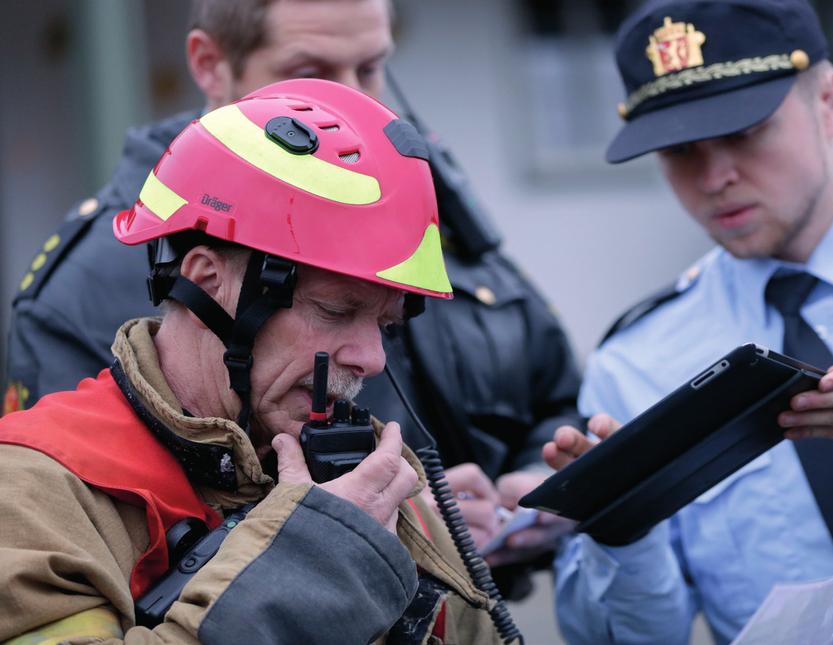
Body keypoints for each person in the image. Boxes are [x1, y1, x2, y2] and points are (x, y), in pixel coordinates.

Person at [3, 0, 581, 581]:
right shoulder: (89, 286)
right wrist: (334, 546)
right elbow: (94, 523)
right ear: (210, 65)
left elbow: (550, 390)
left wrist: (517, 491)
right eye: (313, 71)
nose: (355, 101)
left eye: (372, 66)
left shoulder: (427, 218)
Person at [546, 0, 833, 643]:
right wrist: (620, 531)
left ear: (829, 101)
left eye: (745, 133)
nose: (716, 177)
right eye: (679, 149)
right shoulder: (638, 361)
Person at [0, 79, 510, 643]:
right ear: (206, 283)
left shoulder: (372, 483)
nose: (369, 357)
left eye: (385, 324)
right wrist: (314, 564)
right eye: (335, 311)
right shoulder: (34, 489)